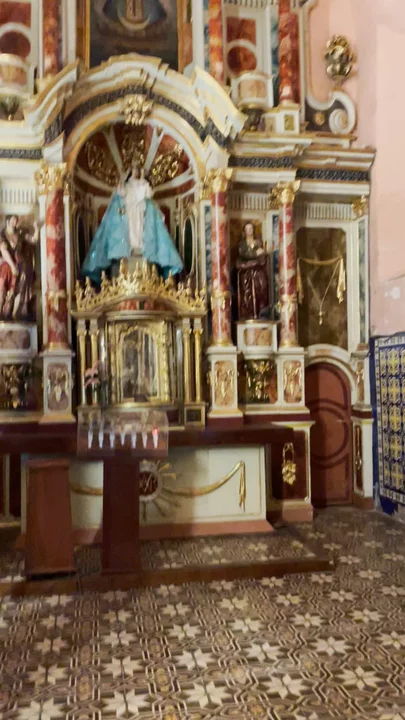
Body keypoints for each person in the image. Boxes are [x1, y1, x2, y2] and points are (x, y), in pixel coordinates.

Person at [82, 166, 183, 283]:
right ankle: (131, 246)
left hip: (140, 212)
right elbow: (121, 194)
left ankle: (139, 245)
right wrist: (121, 189)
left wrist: (143, 183)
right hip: (129, 214)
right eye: (133, 170)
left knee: (140, 228)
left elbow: (148, 194)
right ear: (130, 173)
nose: (135, 172)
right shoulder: (127, 185)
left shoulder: (143, 184)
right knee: (130, 229)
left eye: (137, 170)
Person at [0, 215, 39, 320]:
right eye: (13, 220)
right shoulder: (2, 235)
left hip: (19, 264)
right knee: (2, 287)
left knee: (21, 286)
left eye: (16, 220)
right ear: (7, 221)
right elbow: (4, 251)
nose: (15, 222)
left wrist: (36, 228)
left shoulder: (20, 233)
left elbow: (34, 240)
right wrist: (12, 266)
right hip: (7, 264)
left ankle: (16, 313)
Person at [236, 221, 270, 320]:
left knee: (262, 287)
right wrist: (255, 253)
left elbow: (263, 255)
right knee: (249, 294)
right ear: (244, 231)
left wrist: (261, 254)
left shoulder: (258, 242)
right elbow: (244, 254)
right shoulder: (242, 244)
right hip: (246, 273)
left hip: (258, 271)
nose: (249, 231)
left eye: (251, 229)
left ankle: (261, 310)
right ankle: (250, 312)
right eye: (247, 229)